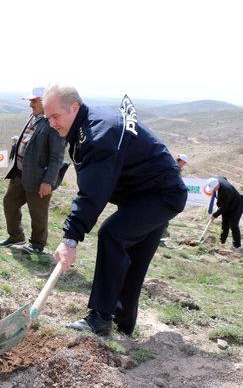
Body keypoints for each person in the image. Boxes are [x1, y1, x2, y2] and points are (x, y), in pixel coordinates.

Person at [43, 85, 187, 336]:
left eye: (56, 116)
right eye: (48, 118)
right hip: (144, 194)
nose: (52, 124)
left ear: (74, 107)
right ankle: (124, 323)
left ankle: (99, 317)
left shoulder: (98, 135)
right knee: (134, 257)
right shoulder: (88, 123)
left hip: (160, 195)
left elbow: (92, 194)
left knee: (112, 234)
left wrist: (70, 239)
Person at [0, 87, 67, 255]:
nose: (30, 104)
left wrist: (48, 181)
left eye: (34, 101)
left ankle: (37, 244)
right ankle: (16, 236)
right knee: (9, 202)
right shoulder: (33, 117)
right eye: (30, 101)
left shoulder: (53, 123)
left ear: (46, 101)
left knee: (38, 213)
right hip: (20, 174)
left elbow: (57, 157)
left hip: (39, 179)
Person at [205, 177, 243, 250]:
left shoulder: (226, 191)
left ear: (217, 185)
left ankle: (237, 246)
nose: (213, 191)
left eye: (213, 189)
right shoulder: (218, 179)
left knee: (233, 225)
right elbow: (224, 178)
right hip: (228, 204)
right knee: (225, 224)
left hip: (237, 206)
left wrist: (214, 215)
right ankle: (222, 242)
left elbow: (223, 207)